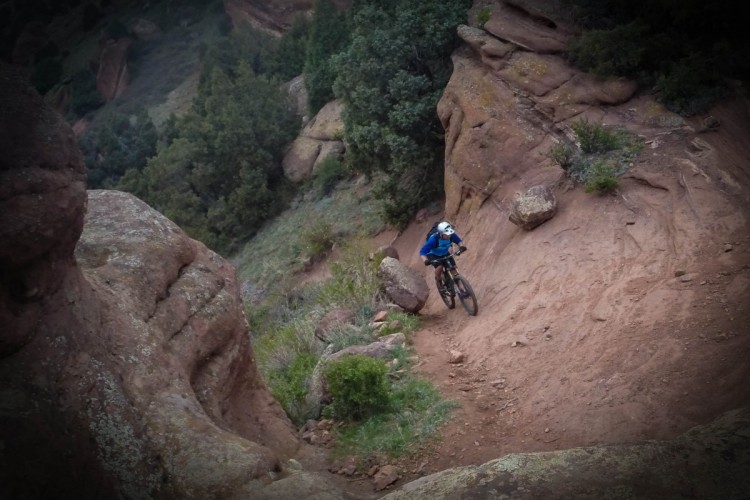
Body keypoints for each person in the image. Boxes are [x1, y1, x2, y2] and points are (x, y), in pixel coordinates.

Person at [420, 221, 467, 291]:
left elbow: (459, 241)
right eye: (447, 234)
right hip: (433, 254)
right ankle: (438, 280)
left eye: (449, 233)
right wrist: (425, 261)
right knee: (440, 267)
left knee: (453, 267)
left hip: (444, 252)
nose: (449, 235)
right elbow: (422, 252)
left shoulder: (451, 234)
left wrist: (461, 247)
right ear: (441, 234)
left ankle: (460, 287)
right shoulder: (433, 239)